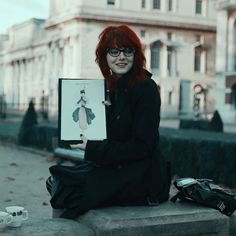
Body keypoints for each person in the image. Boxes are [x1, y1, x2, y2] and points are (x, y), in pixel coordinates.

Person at [46, 25, 171, 219]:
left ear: (136, 55)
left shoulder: (145, 87)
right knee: (57, 179)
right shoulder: (114, 88)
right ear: (104, 56)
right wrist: (103, 115)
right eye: (114, 51)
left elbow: (143, 147)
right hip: (122, 168)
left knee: (68, 189)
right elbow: (114, 136)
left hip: (143, 177)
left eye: (127, 50)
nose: (121, 57)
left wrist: (93, 149)